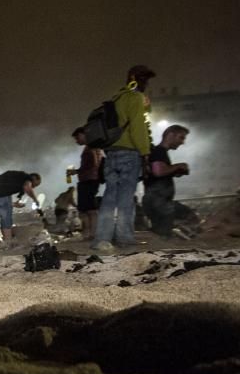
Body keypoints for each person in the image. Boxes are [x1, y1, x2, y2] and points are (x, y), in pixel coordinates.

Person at [93, 65, 155, 250]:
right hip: (129, 152)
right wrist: (145, 153)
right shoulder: (134, 98)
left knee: (110, 197)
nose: (146, 84)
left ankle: (102, 238)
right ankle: (124, 237)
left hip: (111, 152)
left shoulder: (117, 98)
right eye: (144, 80)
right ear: (134, 78)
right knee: (126, 198)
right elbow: (138, 127)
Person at [142, 124, 190, 238]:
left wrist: (175, 171)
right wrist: (179, 166)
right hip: (159, 202)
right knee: (188, 216)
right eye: (181, 137)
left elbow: (159, 172)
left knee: (161, 233)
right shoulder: (159, 151)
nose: (182, 142)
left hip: (158, 201)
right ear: (170, 135)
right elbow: (158, 171)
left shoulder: (160, 152)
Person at [0, 170, 42, 248]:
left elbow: (0, 202)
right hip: (1, 193)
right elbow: (27, 188)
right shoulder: (26, 178)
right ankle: (8, 246)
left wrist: (14, 204)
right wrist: (35, 200)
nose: (34, 187)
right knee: (6, 222)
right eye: (35, 184)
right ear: (34, 179)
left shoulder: (16, 178)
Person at [67, 127, 104, 241]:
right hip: (90, 180)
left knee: (89, 209)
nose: (76, 141)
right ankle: (90, 233)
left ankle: (91, 234)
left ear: (84, 135)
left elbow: (92, 164)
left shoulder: (91, 148)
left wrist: (76, 171)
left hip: (89, 180)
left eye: (77, 137)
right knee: (86, 209)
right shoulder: (94, 148)